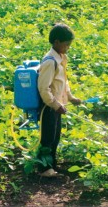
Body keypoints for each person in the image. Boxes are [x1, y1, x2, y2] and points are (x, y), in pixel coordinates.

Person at [37, 23, 81, 177]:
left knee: (55, 137)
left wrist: (70, 97)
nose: (68, 48)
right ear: (56, 42)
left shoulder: (62, 58)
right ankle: (44, 169)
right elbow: (44, 89)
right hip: (49, 107)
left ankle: (52, 165)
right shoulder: (50, 62)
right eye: (66, 45)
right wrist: (56, 105)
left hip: (57, 106)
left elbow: (64, 82)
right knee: (47, 138)